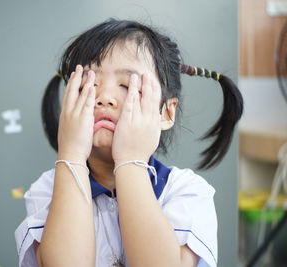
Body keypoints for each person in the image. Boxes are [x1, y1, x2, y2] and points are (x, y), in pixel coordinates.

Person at [15, 19, 243, 267]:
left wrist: (130, 160)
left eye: (127, 85)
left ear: (166, 112)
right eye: (88, 85)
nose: (104, 98)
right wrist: (70, 154)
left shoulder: (187, 192)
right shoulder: (48, 190)